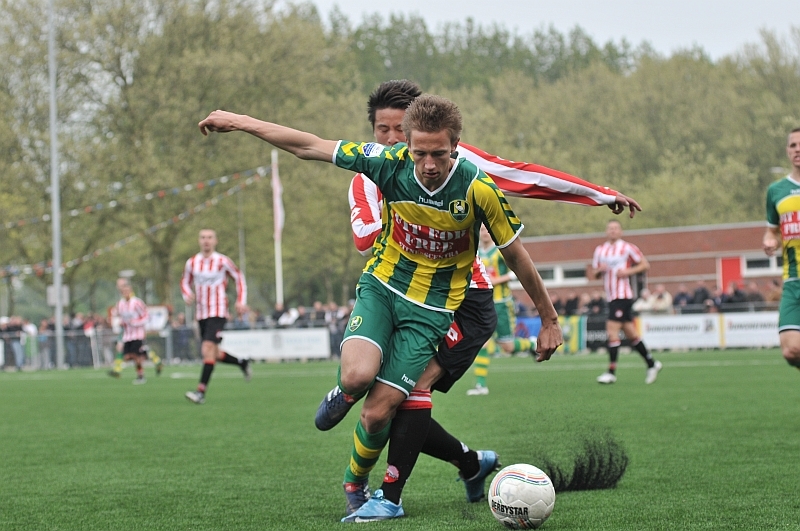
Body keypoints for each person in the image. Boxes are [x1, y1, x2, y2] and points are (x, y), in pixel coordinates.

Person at [199, 94, 564, 522]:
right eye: (420, 153)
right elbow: (309, 145)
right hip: (383, 288)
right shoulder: (386, 162)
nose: (429, 164)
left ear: (457, 146)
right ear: (406, 145)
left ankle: (361, 488)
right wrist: (241, 120)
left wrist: (549, 319)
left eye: (439, 154)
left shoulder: (477, 189)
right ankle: (349, 399)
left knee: (377, 413)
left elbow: (516, 255)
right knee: (357, 376)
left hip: (431, 312)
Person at [319, 80, 641, 519]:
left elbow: (525, 175)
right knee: (385, 401)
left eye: (400, 129)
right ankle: (471, 464)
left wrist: (599, 194)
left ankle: (382, 494)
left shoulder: (453, 163)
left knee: (405, 393)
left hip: (465, 300)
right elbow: (363, 240)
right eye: (384, 131)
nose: (393, 140)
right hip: (400, 291)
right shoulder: (369, 176)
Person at [182, 229, 251, 404]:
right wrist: (187, 294)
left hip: (218, 311)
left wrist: (240, 301)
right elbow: (185, 282)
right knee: (213, 353)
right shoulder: (192, 262)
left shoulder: (222, 261)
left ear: (215, 241)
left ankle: (200, 392)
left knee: (206, 349)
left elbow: (239, 277)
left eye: (210, 238)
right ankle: (241, 362)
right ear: (199, 241)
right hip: (201, 312)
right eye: (203, 237)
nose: (206, 241)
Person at [590, 220, 662, 384]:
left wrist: (629, 271)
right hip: (611, 296)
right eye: (610, 228)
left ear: (620, 231)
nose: (613, 231)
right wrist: (599, 272)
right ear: (606, 231)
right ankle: (652, 363)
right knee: (631, 334)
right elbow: (594, 274)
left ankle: (611, 372)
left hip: (622, 295)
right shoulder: (600, 250)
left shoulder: (627, 247)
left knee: (612, 330)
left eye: (616, 228)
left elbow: (645, 265)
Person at [467, 225, 536, 395]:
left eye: (487, 230)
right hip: (482, 304)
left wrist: (493, 280)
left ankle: (531, 343)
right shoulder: (475, 253)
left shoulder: (500, 252)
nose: (484, 233)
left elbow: (514, 272)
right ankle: (481, 385)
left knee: (508, 347)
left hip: (501, 303)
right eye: (481, 229)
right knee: (482, 343)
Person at [763, 127, 800, 370]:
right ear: (787, 151)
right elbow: (771, 229)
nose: (797, 150)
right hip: (792, 280)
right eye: (793, 145)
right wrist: (770, 240)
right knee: (790, 351)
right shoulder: (776, 191)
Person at [108, 278, 155, 383]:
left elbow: (146, 316)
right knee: (127, 356)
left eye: (127, 291)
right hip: (127, 334)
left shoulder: (137, 302)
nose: (125, 293)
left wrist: (135, 322)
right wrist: (119, 322)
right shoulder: (120, 304)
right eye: (123, 291)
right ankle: (145, 354)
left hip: (137, 334)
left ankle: (140, 375)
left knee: (133, 355)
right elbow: (119, 317)